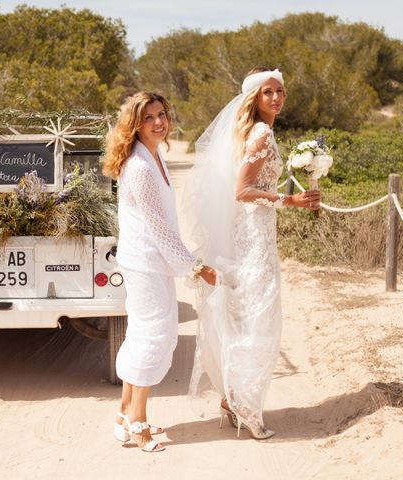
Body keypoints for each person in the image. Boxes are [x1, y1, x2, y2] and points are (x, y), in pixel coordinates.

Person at [184, 68, 320, 439]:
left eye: (280, 91)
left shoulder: (259, 131)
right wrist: (287, 199)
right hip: (253, 234)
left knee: (248, 311)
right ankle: (243, 402)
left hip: (256, 229)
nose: (276, 98)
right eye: (268, 93)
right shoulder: (260, 132)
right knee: (257, 313)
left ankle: (235, 398)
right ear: (254, 99)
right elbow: (242, 190)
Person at [102, 91, 216, 452]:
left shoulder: (154, 156)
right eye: (149, 117)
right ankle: (138, 422)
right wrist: (194, 267)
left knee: (145, 334)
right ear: (135, 124)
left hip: (152, 262)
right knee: (155, 337)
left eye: (162, 114)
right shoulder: (138, 166)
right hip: (146, 263)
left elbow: (163, 224)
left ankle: (123, 412)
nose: (158, 122)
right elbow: (158, 228)